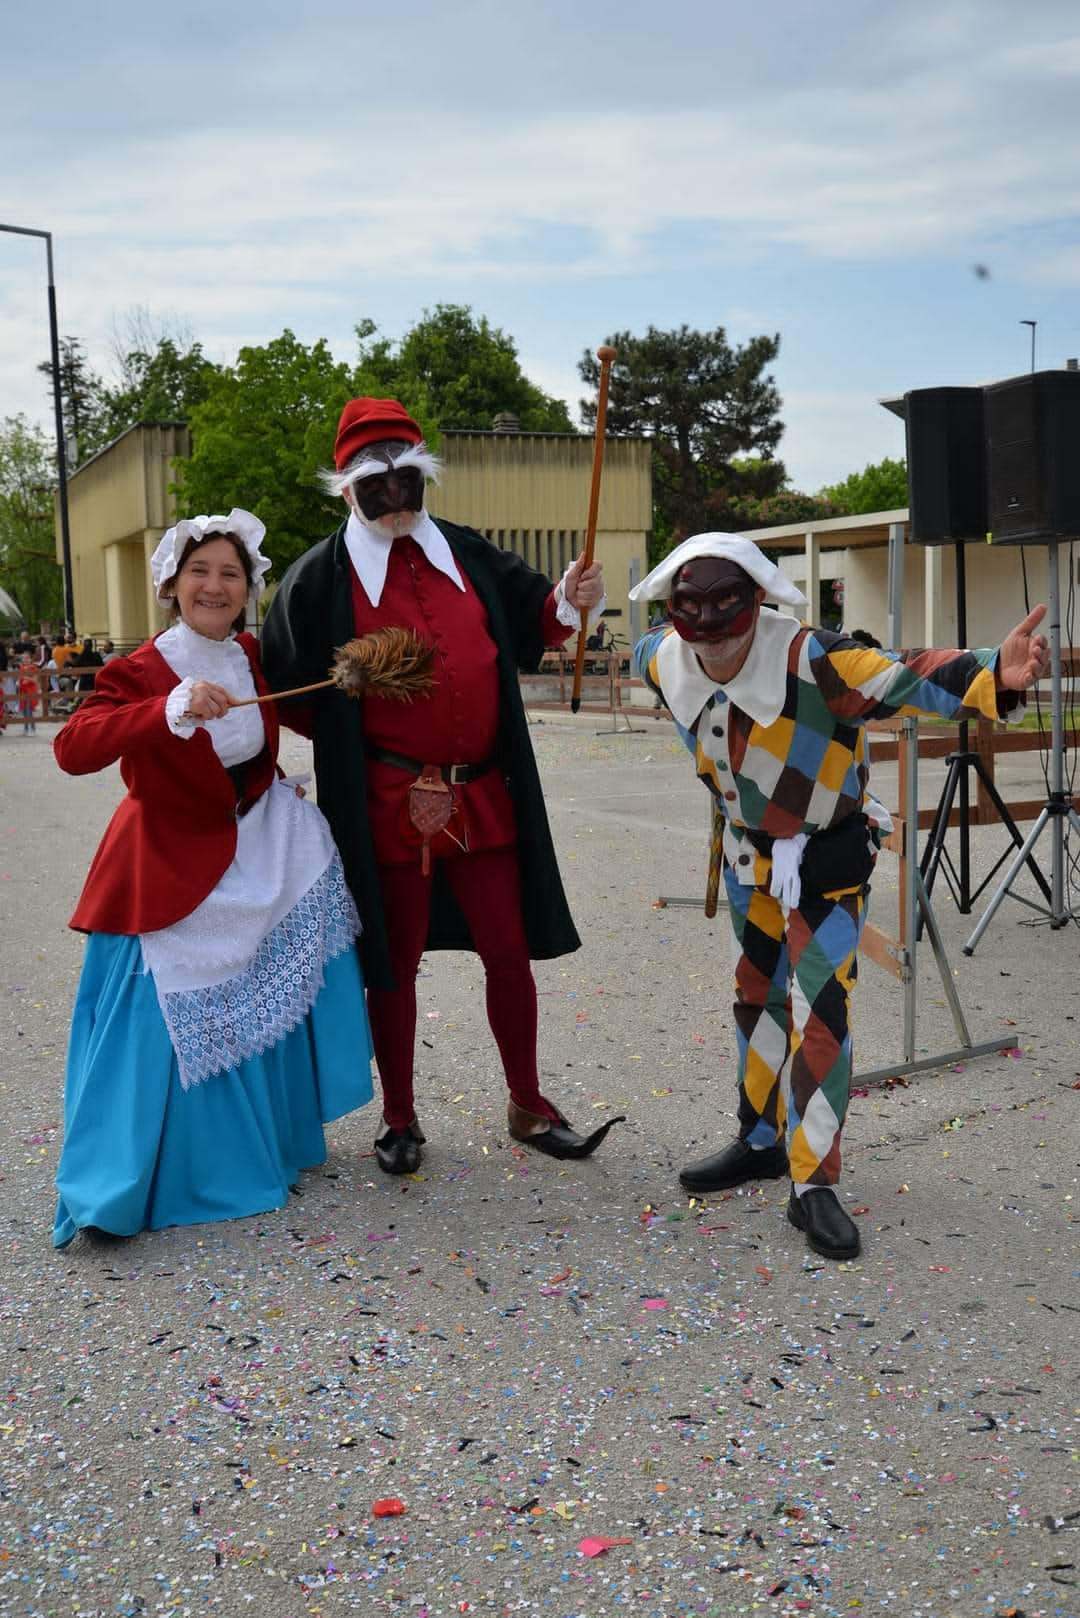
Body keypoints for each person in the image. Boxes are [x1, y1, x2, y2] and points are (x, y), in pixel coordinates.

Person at [630, 532, 1050, 1261]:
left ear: (757, 604)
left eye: (727, 624)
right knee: (754, 999)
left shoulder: (814, 660)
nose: (716, 648)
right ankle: (760, 1138)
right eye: (694, 623)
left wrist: (994, 675)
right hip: (744, 860)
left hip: (823, 860)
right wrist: (564, 611)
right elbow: (626, 648)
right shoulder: (662, 658)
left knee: (820, 1014)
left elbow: (907, 674)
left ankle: (812, 1183)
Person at [261, 396, 622, 1174]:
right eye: (375, 483)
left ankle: (528, 1104)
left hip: (483, 792)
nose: (393, 498)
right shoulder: (317, 578)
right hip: (389, 803)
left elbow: (539, 615)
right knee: (395, 960)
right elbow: (285, 683)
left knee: (507, 947)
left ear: (423, 479)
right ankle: (399, 1119)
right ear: (348, 488)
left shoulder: (467, 551)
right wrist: (345, 734)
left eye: (405, 481)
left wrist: (571, 598)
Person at [52, 510, 374, 1247]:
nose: (215, 585)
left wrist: (271, 785)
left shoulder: (250, 657)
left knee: (262, 986)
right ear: (170, 583)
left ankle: (266, 1143)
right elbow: (73, 748)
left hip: (245, 846)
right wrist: (166, 707)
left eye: (231, 573)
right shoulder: (138, 670)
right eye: (199, 571)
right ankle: (125, 1183)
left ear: (247, 587)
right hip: (165, 864)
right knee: (159, 1020)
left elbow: (256, 743)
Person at [17, 654, 39, 734]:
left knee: (29, 710)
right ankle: (26, 728)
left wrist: (27, 678)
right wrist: (19, 682)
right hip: (23, 690)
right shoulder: (21, 668)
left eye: (27, 658)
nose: (25, 660)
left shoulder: (33, 667)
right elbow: (20, 679)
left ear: (30, 659)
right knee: (24, 711)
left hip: (31, 690)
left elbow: (35, 680)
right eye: (24, 658)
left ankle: (32, 729)